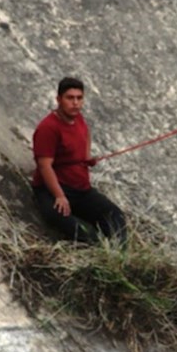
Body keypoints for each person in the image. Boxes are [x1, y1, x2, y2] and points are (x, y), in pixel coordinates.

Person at [32, 77, 126, 243]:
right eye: (70, 98)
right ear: (59, 99)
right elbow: (44, 166)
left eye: (79, 98)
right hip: (54, 190)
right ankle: (99, 250)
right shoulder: (48, 128)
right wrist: (59, 196)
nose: (75, 103)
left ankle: (118, 254)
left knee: (116, 218)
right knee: (79, 232)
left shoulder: (78, 119)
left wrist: (86, 156)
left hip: (81, 189)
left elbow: (86, 133)